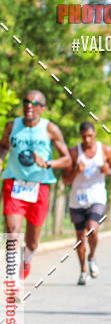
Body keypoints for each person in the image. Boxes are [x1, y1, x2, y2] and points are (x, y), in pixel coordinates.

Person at [0, 90, 70, 280]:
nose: (29, 105)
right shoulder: (11, 126)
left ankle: (27, 259)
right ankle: (12, 278)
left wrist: (47, 164)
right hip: (14, 183)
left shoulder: (50, 129)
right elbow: (4, 146)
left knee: (31, 242)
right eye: (26, 101)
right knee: (12, 232)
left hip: (39, 186)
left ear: (42, 108)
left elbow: (67, 159)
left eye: (34, 102)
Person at [63, 122, 111, 284]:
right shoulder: (74, 153)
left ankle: (92, 256)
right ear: (80, 136)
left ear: (94, 134)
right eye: (84, 136)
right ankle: (83, 271)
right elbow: (65, 180)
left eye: (90, 136)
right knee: (81, 238)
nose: (87, 139)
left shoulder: (105, 151)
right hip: (77, 199)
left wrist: (108, 171)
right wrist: (76, 171)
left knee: (92, 229)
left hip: (97, 196)